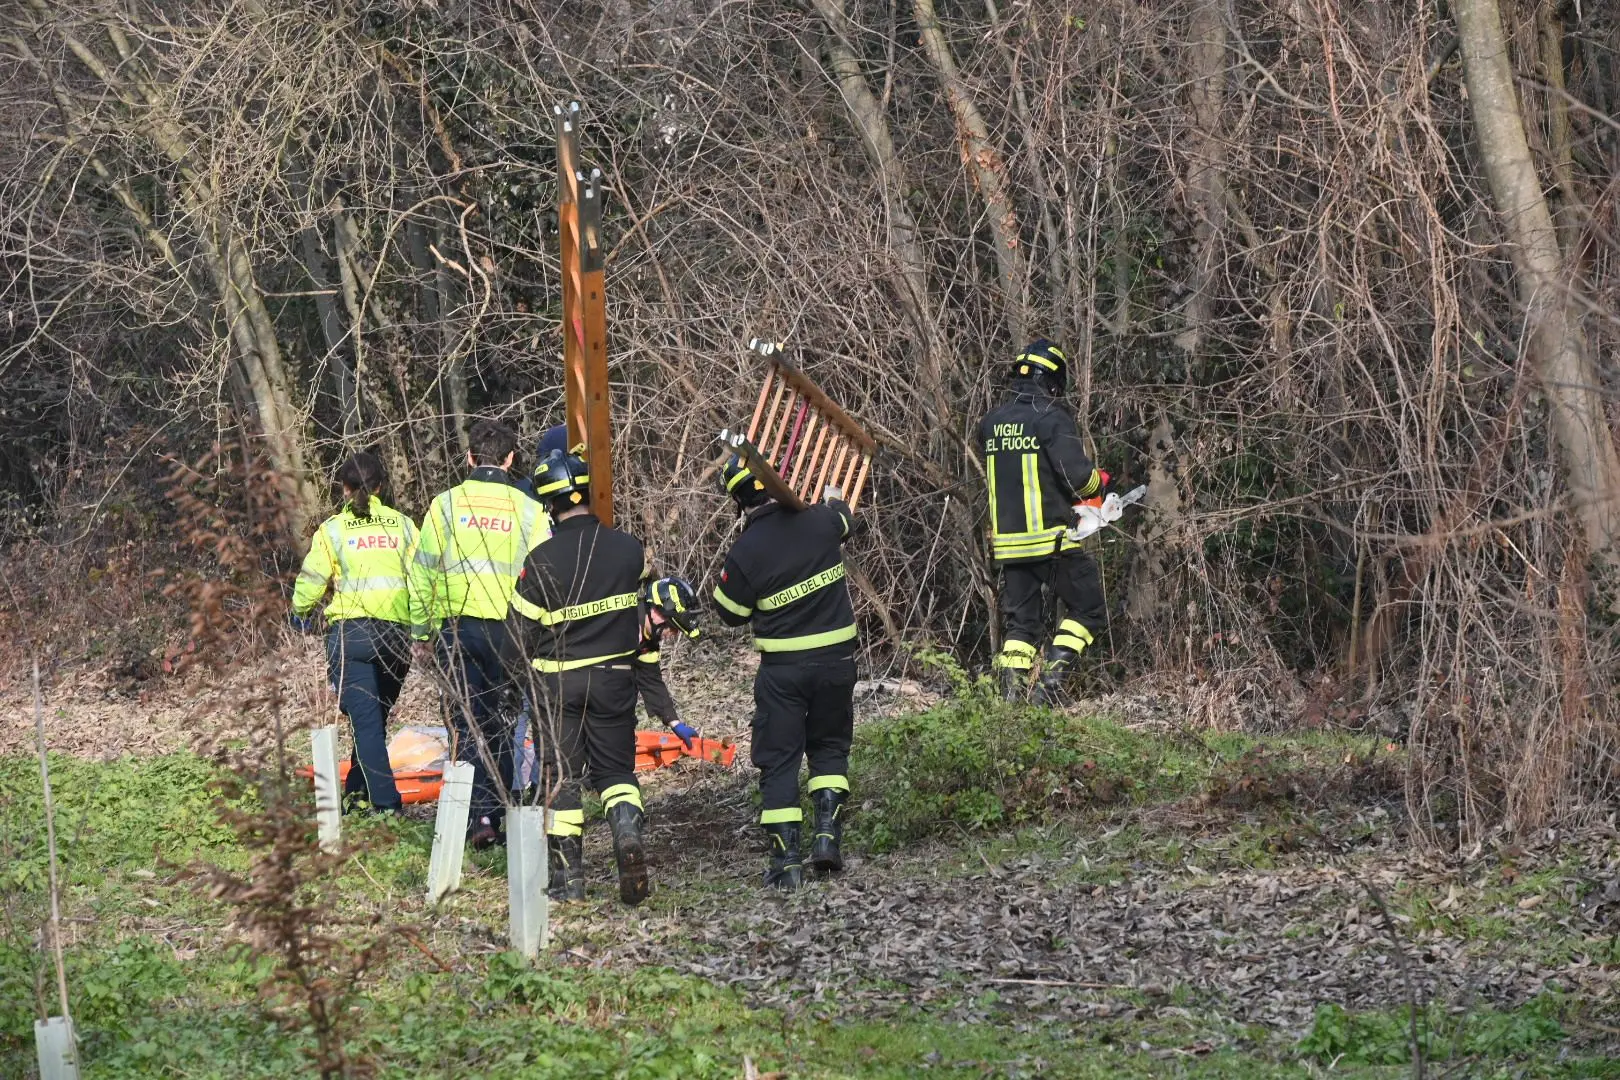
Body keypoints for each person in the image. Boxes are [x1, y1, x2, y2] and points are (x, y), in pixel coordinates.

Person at [509, 450, 652, 905]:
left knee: (561, 777)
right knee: (616, 772)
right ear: (589, 493)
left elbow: (517, 638)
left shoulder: (538, 562)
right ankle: (626, 830)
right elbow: (645, 605)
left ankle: (568, 881)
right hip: (615, 678)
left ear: (548, 505)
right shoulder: (629, 550)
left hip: (557, 686)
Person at [712, 458, 857, 890]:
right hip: (837, 662)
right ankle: (827, 837)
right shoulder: (820, 521)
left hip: (784, 672)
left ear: (738, 501)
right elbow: (846, 519)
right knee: (830, 747)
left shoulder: (745, 552)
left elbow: (728, 612)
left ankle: (786, 863)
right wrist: (834, 499)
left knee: (780, 761)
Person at [408, 419, 551, 848]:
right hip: (512, 632)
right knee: (505, 723)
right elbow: (546, 575)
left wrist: (423, 632)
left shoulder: (446, 505)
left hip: (458, 629)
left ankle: (479, 818)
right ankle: (501, 814)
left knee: (469, 724)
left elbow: (422, 572)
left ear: (470, 457)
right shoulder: (529, 510)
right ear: (510, 460)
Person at [979, 339, 1110, 704]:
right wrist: (1099, 482)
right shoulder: (1051, 418)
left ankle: (1010, 699)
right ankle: (1049, 687)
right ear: (1054, 380)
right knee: (1089, 609)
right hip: (1052, 543)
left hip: (1009, 548)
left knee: (1022, 626)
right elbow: (1079, 480)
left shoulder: (990, 423)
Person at [290, 452, 416, 814]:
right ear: (380, 487)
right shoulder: (403, 526)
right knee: (372, 721)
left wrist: (299, 612)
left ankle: (386, 805)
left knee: (368, 725)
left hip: (352, 636)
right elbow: (422, 578)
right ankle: (357, 790)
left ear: (344, 489)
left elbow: (313, 581)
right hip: (397, 636)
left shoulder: (332, 530)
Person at [636, 575, 702, 749]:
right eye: (673, 627)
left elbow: (650, 680)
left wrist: (674, 723)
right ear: (657, 614)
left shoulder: (648, 641)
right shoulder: (621, 625)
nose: (673, 634)